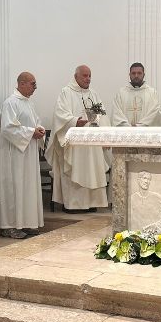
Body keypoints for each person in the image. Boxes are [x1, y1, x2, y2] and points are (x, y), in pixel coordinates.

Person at [45, 65, 109, 212]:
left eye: (89, 76)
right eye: (85, 76)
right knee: (76, 168)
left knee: (93, 169)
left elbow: (103, 116)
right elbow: (60, 115)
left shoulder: (94, 94)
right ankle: (74, 205)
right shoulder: (66, 93)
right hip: (75, 143)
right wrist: (75, 121)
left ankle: (93, 203)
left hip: (93, 143)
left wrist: (103, 131)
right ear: (76, 77)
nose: (88, 79)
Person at [0, 72, 45, 239]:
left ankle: (27, 223)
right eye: (33, 84)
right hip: (15, 155)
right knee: (15, 187)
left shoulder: (29, 103)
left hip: (29, 152)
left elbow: (35, 122)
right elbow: (7, 128)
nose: (35, 88)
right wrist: (31, 132)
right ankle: (10, 226)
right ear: (22, 83)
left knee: (28, 188)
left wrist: (39, 129)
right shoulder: (11, 103)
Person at [110, 63, 160, 127]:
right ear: (129, 75)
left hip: (145, 132)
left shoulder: (152, 93)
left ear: (143, 75)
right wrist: (127, 126)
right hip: (126, 132)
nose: (136, 76)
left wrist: (140, 126)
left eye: (139, 73)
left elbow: (154, 113)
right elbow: (116, 113)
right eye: (133, 73)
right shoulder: (121, 93)